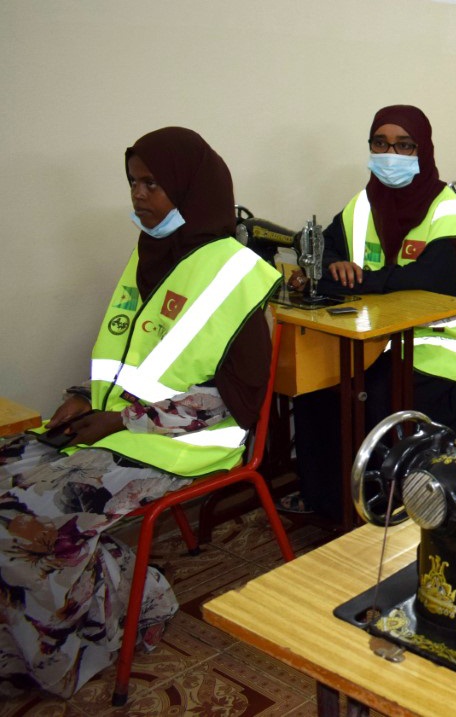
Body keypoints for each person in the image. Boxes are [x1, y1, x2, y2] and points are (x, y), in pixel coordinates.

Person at [0, 127, 279, 696]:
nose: (139, 196)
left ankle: (124, 608)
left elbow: (236, 403)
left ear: (190, 188)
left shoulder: (230, 273)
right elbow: (132, 358)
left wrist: (122, 421)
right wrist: (83, 393)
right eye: (132, 182)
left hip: (188, 441)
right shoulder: (148, 258)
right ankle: (32, 636)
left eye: (153, 184)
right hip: (112, 430)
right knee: (5, 481)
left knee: (33, 512)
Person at [286, 105, 456, 519]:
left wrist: (358, 280)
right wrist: (331, 266)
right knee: (317, 386)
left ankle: (394, 502)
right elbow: (323, 243)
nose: (390, 154)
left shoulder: (447, 211)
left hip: (441, 347)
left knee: (372, 392)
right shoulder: (363, 203)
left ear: (423, 151)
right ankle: (332, 501)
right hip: (376, 338)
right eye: (380, 143)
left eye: (403, 145)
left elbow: (434, 281)